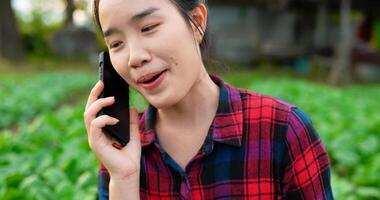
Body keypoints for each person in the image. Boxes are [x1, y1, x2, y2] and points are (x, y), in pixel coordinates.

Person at [83, 0, 334, 199]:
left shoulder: (283, 130)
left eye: (148, 27)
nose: (134, 57)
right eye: (116, 43)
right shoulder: (122, 150)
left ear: (196, 22)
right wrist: (125, 179)